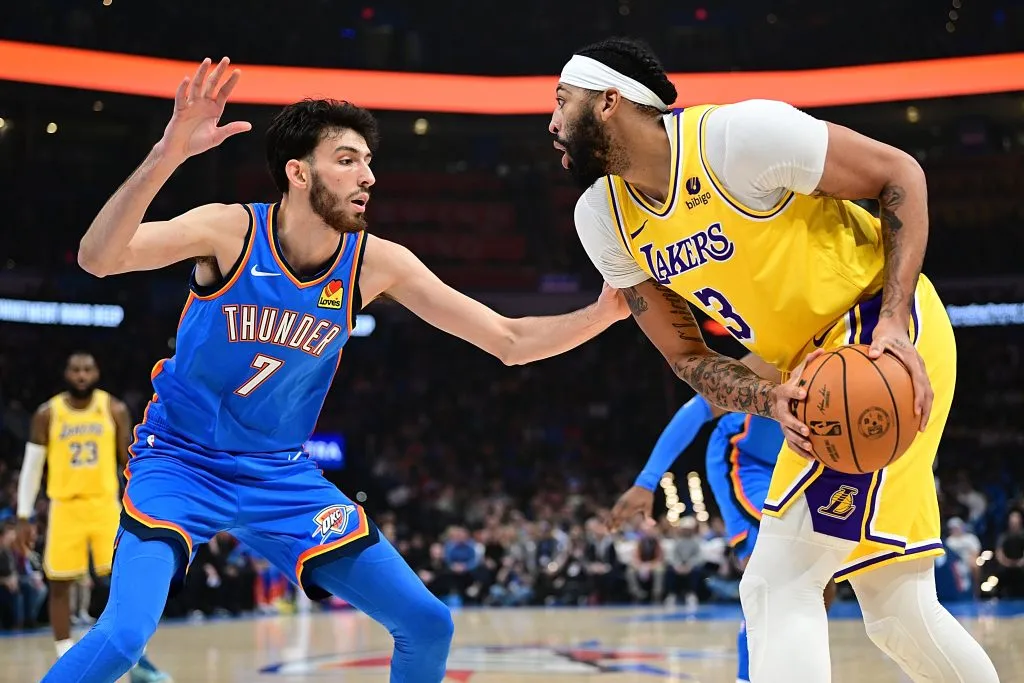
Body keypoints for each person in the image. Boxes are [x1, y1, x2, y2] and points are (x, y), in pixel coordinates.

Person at [41, 57, 627, 683]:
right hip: (180, 462)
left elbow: (507, 339)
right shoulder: (229, 230)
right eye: (347, 160)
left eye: (369, 162)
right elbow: (98, 258)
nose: (367, 176)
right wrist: (167, 155)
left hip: (280, 475)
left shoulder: (376, 264)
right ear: (297, 173)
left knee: (429, 622)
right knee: (126, 635)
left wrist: (606, 311)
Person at [550, 36, 998, 683]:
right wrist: (766, 398)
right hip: (807, 366)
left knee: (779, 581)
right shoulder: (603, 220)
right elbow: (686, 357)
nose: (551, 121)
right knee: (897, 606)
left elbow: (900, 174)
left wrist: (895, 322)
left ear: (610, 103)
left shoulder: (737, 139)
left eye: (563, 102)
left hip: (876, 336)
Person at [611, 353, 835, 683]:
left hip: (803, 463)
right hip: (744, 461)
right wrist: (647, 481)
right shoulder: (784, 350)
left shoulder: (858, 348)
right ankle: (747, 677)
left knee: (821, 584)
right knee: (777, 568)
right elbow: (699, 407)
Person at [16, 353, 170, 681]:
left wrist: (141, 503)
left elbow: (130, 461)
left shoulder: (112, 409)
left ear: (96, 372)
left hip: (105, 505)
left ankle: (138, 660)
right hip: (65, 506)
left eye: (87, 369)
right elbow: (32, 468)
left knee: (125, 579)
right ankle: (66, 657)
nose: (82, 375)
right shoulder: (47, 413)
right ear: (66, 373)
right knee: (59, 583)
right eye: (76, 370)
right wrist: (23, 515)